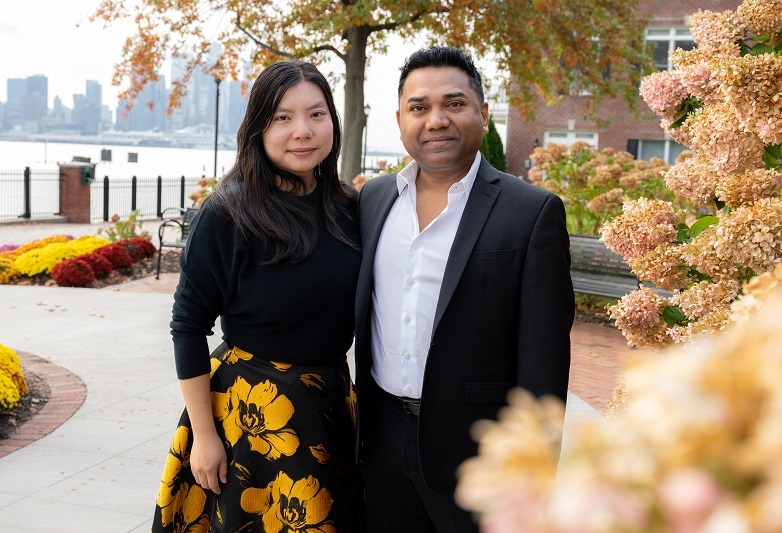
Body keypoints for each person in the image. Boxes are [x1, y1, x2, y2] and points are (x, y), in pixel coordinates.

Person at [354, 47, 574, 532]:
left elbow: (544, 361)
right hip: (381, 443)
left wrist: (534, 479)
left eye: (454, 103)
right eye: (419, 107)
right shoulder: (373, 199)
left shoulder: (531, 212)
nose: (436, 120)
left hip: (480, 454)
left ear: (483, 112)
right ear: (399, 119)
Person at [152, 60, 362, 533]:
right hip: (249, 415)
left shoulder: (350, 208)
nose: (302, 131)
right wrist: (204, 436)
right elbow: (188, 325)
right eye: (282, 118)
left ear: (333, 121)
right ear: (258, 128)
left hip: (330, 405)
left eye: (317, 114)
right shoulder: (228, 214)